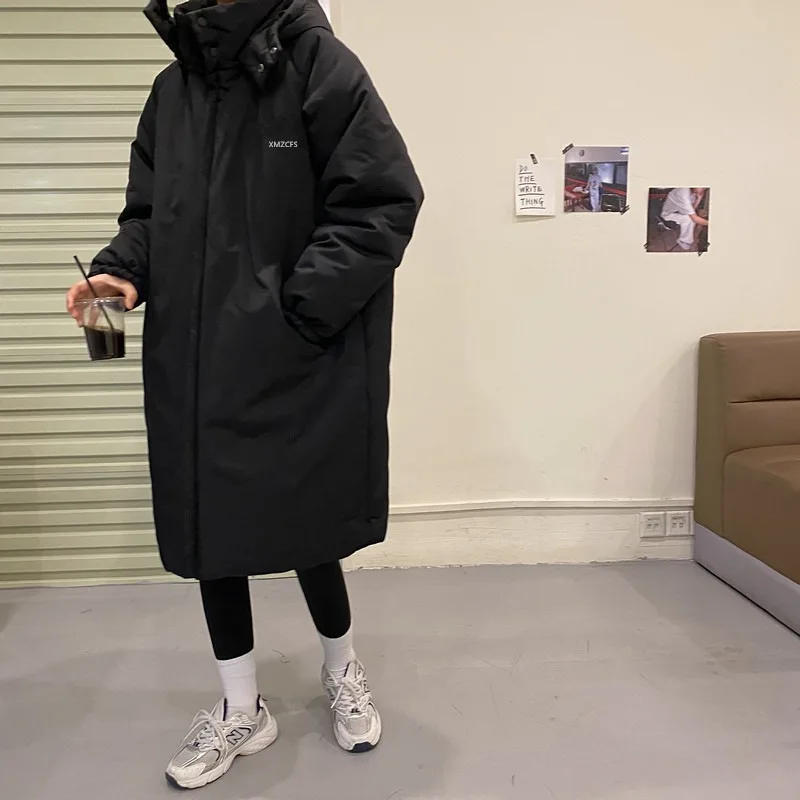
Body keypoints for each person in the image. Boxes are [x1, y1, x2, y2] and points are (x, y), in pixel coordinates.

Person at [65, 0, 423, 790]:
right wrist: (121, 269)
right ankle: (240, 709)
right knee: (211, 531)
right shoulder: (173, 91)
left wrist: (295, 312)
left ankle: (342, 668)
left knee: (310, 520)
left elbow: (380, 201)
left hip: (298, 353)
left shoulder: (319, 67)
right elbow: (150, 214)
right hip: (197, 358)